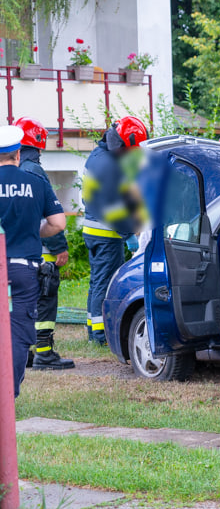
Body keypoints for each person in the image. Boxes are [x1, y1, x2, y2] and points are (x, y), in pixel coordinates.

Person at [0, 125, 66, 397]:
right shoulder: (35, 182)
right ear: (18, 154)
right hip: (23, 270)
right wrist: (33, 231)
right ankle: (8, 396)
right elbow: (58, 223)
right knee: (18, 334)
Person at [14, 117, 74, 370]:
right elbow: (49, 214)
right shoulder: (35, 171)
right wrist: (59, 246)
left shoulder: (12, 167)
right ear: (37, 141)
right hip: (43, 249)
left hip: (18, 250)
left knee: (21, 302)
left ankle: (24, 351)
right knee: (45, 298)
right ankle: (45, 353)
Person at [82, 116, 147, 345]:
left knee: (96, 283)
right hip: (106, 233)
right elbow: (113, 208)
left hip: (92, 229)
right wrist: (129, 233)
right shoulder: (109, 164)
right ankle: (100, 336)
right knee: (105, 283)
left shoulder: (97, 156)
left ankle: (93, 330)